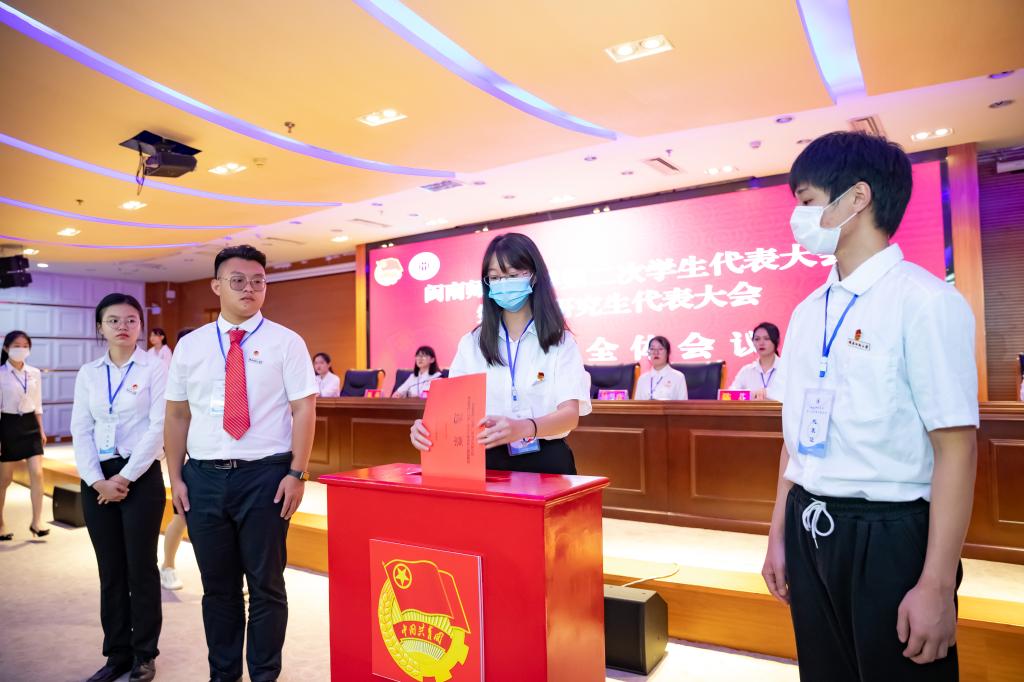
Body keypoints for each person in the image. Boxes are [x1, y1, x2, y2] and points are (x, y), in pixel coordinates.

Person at [761, 131, 979, 682]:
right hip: (809, 523)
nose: (798, 217)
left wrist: (937, 584)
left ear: (857, 198)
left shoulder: (926, 302)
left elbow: (956, 449)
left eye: (807, 200)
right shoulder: (808, 311)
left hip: (889, 535)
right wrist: (778, 534)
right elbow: (796, 440)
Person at [164, 244, 317, 682]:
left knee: (266, 585)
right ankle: (223, 675)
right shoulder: (191, 345)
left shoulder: (286, 342)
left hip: (266, 477)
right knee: (218, 589)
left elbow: (304, 408)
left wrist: (297, 473)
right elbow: (176, 415)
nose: (249, 288)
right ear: (217, 286)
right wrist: (175, 477)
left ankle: (265, 675)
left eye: (257, 281)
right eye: (237, 281)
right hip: (203, 477)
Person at [409, 232, 591, 474]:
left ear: (534, 276)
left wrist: (524, 427)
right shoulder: (472, 343)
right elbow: (452, 412)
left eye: (512, 275)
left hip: (546, 460)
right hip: (486, 462)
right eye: (495, 277)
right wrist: (427, 428)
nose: (504, 284)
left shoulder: (560, 341)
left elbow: (569, 415)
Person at [71, 294, 167, 682]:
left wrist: (124, 478)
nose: (122, 326)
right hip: (98, 478)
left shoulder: (156, 367)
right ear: (100, 327)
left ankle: (144, 653)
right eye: (113, 320)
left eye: (130, 320)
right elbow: (81, 429)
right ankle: (117, 654)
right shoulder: (89, 373)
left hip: (140, 476)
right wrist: (96, 479)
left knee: (141, 568)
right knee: (110, 570)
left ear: (141, 326)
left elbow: (159, 427)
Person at [0, 331, 47, 541]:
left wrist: (41, 429)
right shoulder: (1, 373)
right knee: (4, 480)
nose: (21, 349)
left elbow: (37, 404)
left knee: (37, 474)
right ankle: (0, 523)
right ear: (6, 348)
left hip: (30, 425)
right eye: (16, 345)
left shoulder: (34, 373)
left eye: (25, 345)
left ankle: (37, 522)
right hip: (7, 425)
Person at [159, 327, 196, 592]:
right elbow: (171, 419)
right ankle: (168, 565)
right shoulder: (171, 375)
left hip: (214, 455)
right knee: (181, 515)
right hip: (186, 456)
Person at [729, 322, 785, 401]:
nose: (761, 343)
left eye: (766, 338)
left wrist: (768, 393)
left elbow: (793, 394)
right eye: (757, 339)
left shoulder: (786, 369)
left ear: (776, 341)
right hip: (751, 409)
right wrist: (751, 394)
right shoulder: (746, 371)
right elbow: (730, 395)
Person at [633, 336, 688, 400]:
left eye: (660, 349)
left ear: (668, 353)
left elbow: (683, 404)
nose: (656, 352)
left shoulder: (678, 377)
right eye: (652, 349)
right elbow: (637, 404)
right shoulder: (642, 379)